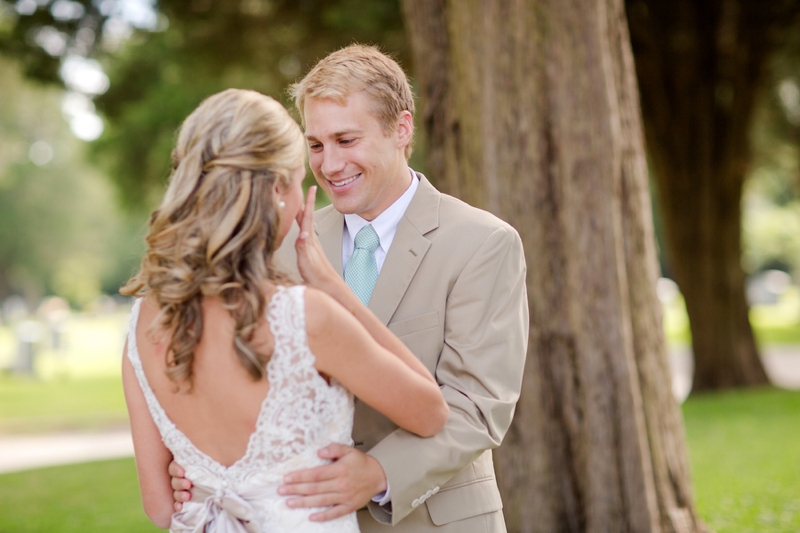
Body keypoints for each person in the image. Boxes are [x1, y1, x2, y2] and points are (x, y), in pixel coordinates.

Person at [172, 45, 529, 532]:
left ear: (401, 130)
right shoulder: (281, 245)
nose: (330, 163)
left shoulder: (482, 243)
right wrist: (202, 463)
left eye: (346, 139)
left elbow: (479, 407)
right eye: (316, 145)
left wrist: (380, 474)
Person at [121, 88, 449, 532]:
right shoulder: (304, 317)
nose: (302, 199)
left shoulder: (142, 322)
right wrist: (336, 290)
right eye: (298, 181)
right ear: (277, 188)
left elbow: (161, 507)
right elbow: (430, 411)